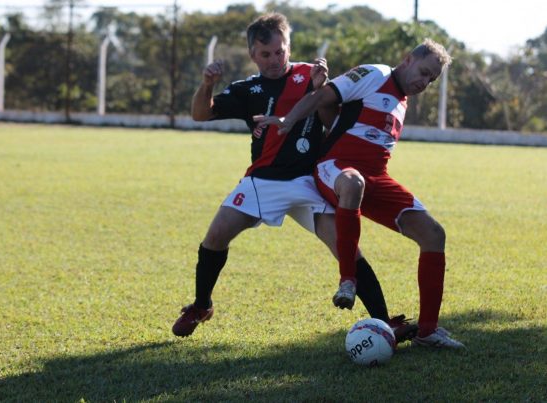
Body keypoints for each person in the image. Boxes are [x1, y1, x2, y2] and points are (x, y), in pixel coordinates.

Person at [172, 13, 417, 341]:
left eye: (280, 52)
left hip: (308, 182)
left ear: (288, 47)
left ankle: (386, 321)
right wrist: (207, 84)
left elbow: (332, 123)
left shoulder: (312, 75)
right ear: (252, 55)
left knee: (347, 248)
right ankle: (201, 306)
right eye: (265, 54)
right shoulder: (248, 88)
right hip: (262, 180)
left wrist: (319, 89)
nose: (274, 60)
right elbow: (200, 114)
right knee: (215, 236)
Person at [254, 38, 464, 348]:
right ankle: (348, 280)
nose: (424, 82)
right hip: (336, 168)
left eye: (431, 79)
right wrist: (289, 119)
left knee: (434, 234)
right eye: (423, 72)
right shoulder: (375, 75)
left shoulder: (402, 102)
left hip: (376, 178)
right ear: (407, 60)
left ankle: (428, 330)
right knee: (353, 183)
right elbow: (323, 97)